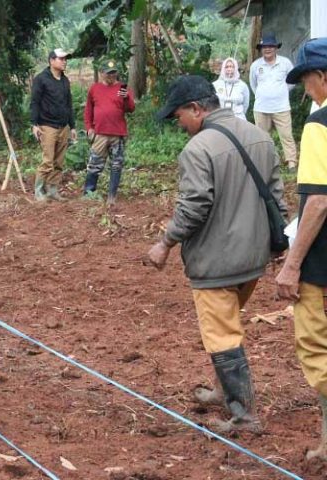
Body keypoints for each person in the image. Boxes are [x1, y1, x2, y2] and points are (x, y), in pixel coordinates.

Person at [146, 75, 287, 433]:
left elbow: (194, 207)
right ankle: (224, 391)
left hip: (216, 263)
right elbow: (277, 196)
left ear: (197, 108)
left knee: (222, 335)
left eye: (179, 116)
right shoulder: (260, 136)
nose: (179, 125)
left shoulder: (198, 149)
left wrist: (165, 242)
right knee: (229, 325)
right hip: (254, 259)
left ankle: (243, 415)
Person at [275, 37, 327, 461]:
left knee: (316, 347)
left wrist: (292, 265)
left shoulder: (318, 125)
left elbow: (319, 201)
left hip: (321, 260)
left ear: (322, 77)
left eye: (307, 81)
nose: (306, 90)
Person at [82, 59, 136, 207]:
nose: (111, 76)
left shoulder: (122, 89)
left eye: (113, 73)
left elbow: (130, 109)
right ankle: (88, 193)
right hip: (100, 133)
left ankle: (111, 196)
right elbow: (88, 111)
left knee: (116, 164)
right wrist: (89, 128)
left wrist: (126, 98)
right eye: (108, 73)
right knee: (94, 164)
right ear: (101, 74)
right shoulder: (94, 89)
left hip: (117, 133)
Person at [30, 48, 78, 202]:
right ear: (51, 60)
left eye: (65, 59)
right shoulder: (41, 79)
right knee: (48, 160)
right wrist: (34, 124)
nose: (64, 61)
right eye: (61, 59)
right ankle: (38, 191)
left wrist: (73, 126)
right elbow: (35, 102)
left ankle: (52, 189)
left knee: (58, 162)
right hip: (47, 126)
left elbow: (68, 104)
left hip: (63, 126)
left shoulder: (65, 80)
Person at [250, 33, 298, 170]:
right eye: (265, 46)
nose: (268, 49)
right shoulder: (255, 65)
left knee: (286, 135)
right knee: (262, 138)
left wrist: (281, 92)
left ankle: (291, 162)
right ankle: (266, 163)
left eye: (271, 46)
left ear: (276, 48)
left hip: (281, 107)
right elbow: (254, 85)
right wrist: (263, 94)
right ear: (261, 49)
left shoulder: (285, 63)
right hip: (261, 108)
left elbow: (292, 81)